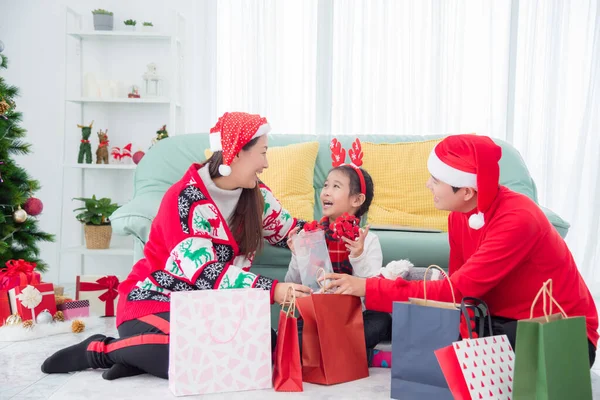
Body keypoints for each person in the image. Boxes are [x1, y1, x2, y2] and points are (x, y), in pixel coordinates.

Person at [41, 112, 312, 379]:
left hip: (211, 313)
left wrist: (343, 237)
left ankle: (138, 359)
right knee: (184, 350)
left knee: (266, 348)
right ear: (238, 152)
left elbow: (293, 232)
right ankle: (102, 350)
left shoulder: (256, 196)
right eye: (263, 152)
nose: (266, 163)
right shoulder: (185, 199)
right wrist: (273, 290)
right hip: (155, 302)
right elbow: (205, 272)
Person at [324, 134, 599, 366]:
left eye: (436, 180)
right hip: (495, 320)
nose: (428, 185)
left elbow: (455, 291)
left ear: (466, 191)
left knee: (466, 357)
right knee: (436, 344)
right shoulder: (458, 214)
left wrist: (367, 287)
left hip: (559, 334)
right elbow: (459, 297)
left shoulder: (518, 219)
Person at [286, 138, 392, 368]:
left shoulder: (368, 240)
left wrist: (358, 256)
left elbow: (372, 290)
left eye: (336, 186)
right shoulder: (310, 235)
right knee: (294, 330)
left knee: (382, 321)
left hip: (352, 318)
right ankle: (355, 354)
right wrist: (299, 255)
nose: (326, 191)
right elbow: (291, 284)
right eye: (325, 185)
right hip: (317, 316)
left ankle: (329, 352)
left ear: (356, 199)